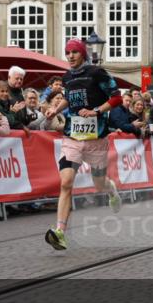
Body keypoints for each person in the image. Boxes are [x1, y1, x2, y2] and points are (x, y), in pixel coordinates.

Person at [42, 38, 123, 250]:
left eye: (74, 52)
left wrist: (96, 111)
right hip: (72, 136)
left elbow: (117, 98)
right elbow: (69, 98)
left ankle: (111, 189)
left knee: (99, 184)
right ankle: (60, 231)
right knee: (66, 182)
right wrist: (55, 110)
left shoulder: (97, 73)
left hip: (96, 138)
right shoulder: (67, 77)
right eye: (67, 52)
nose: (70, 56)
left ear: (82, 54)